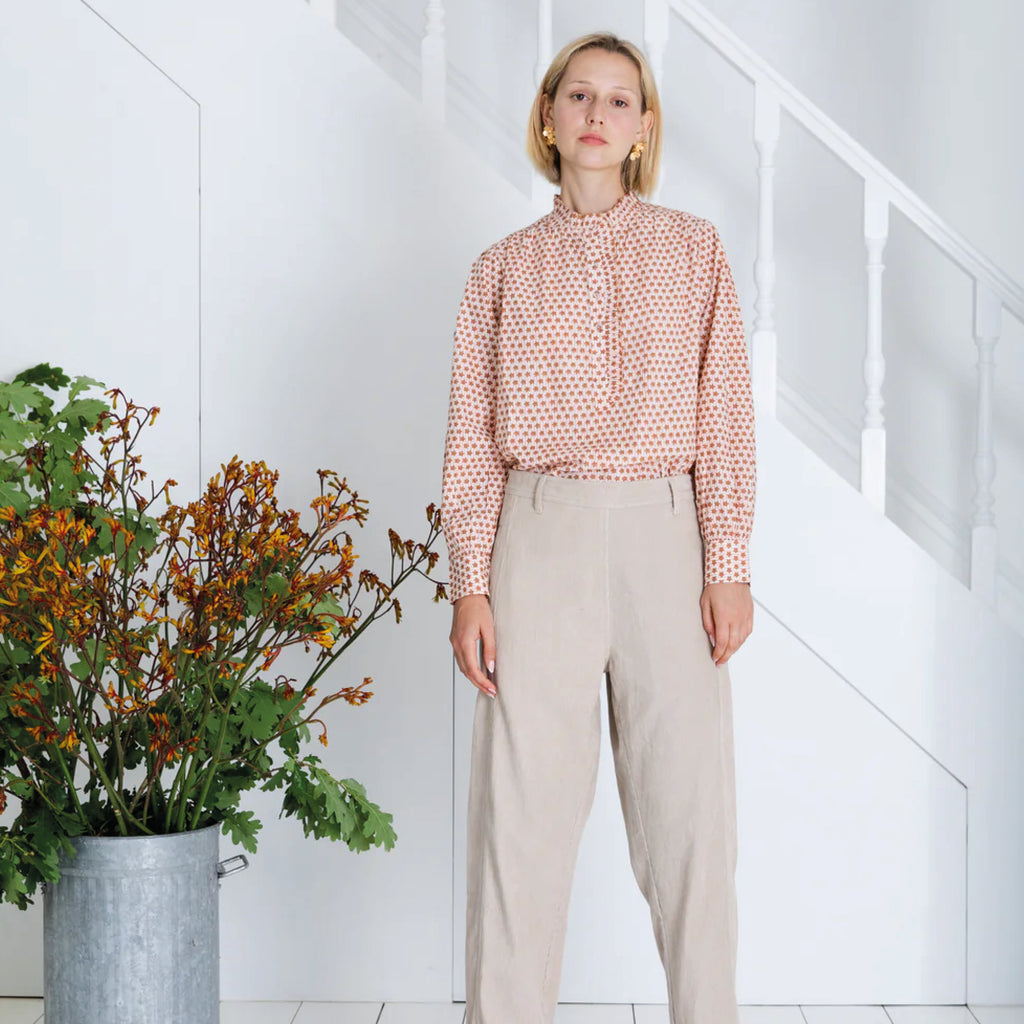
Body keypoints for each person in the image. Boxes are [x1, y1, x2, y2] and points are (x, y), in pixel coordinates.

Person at [439, 29, 755, 1024]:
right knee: (519, 828)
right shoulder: (499, 270)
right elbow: (470, 439)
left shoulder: (694, 249)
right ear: (547, 114)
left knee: (689, 824)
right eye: (578, 95)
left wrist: (728, 559)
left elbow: (723, 412)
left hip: (668, 538)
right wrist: (470, 584)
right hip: (537, 537)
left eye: (619, 101)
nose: (595, 114)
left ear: (641, 129)